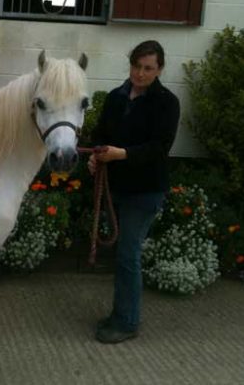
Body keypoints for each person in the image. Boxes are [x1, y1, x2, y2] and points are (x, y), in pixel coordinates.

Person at [88, 40, 180, 344]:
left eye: (148, 68)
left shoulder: (167, 103)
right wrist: (94, 156)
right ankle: (120, 314)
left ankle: (127, 322)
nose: (140, 73)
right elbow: (100, 134)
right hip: (118, 188)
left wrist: (121, 154)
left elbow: (159, 148)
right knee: (123, 254)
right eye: (136, 66)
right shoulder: (116, 97)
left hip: (145, 191)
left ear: (159, 69)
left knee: (128, 255)